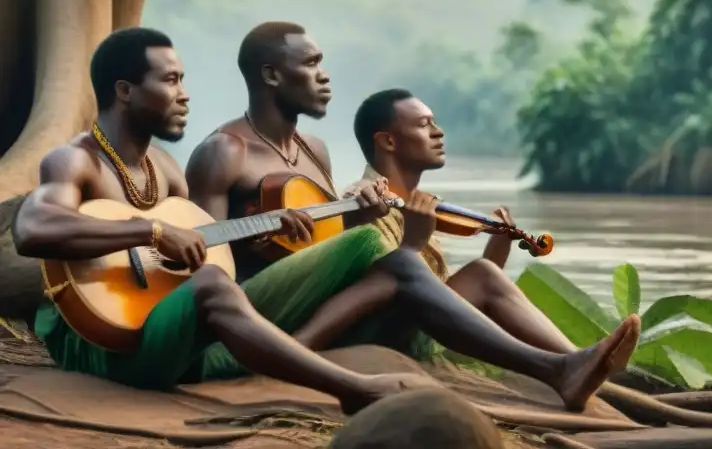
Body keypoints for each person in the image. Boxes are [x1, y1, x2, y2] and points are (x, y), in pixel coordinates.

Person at [184, 21, 639, 412]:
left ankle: (586, 371)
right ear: (271, 75)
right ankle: (560, 368)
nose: (324, 78)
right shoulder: (225, 152)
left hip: (324, 300)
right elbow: (204, 268)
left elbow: (324, 253)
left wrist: (360, 225)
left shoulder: (314, 152)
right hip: (258, 318)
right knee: (394, 260)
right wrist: (264, 243)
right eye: (311, 65)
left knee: (477, 272)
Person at [12, 27, 437, 413]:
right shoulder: (75, 160)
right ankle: (353, 388)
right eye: (171, 80)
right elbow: (34, 230)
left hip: (166, 335)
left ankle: (264, 354)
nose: (185, 95)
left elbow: (201, 258)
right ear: (125, 91)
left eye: (183, 80)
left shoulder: (167, 170)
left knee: (363, 254)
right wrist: (152, 231)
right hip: (97, 344)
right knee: (212, 286)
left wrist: (266, 231)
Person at [351, 88, 594, 361]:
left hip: (418, 323)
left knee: (484, 272)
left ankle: (574, 360)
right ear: (388, 142)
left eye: (434, 122)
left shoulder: (416, 206)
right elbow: (398, 294)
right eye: (423, 124)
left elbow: (447, 301)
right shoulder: (365, 199)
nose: (438, 132)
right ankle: (573, 360)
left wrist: (497, 249)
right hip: (383, 335)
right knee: (481, 274)